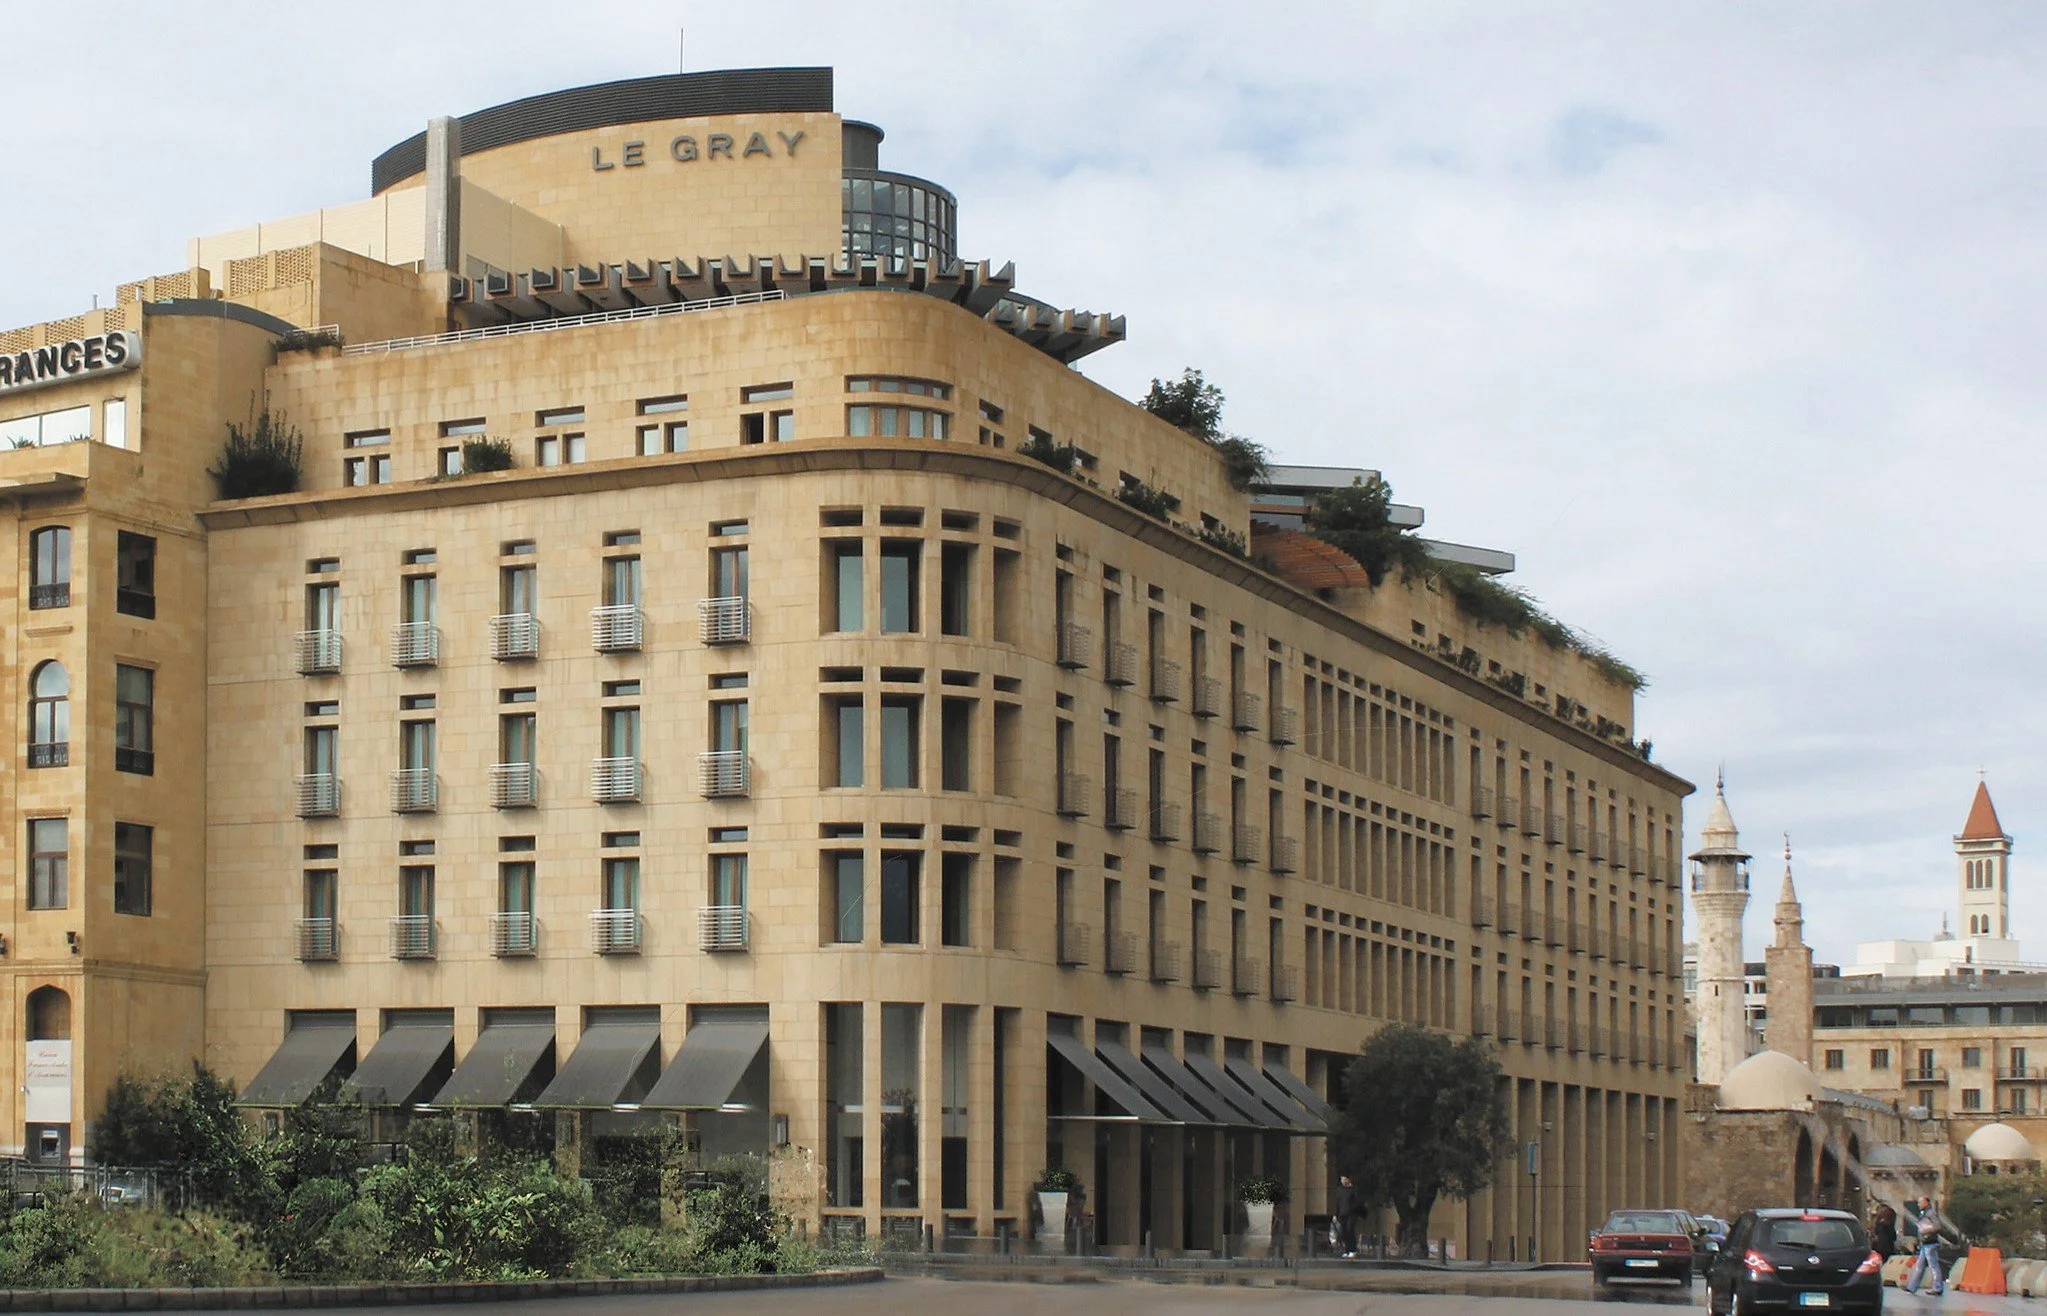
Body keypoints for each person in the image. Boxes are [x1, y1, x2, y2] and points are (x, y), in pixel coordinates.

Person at [1902, 1194, 1946, 1296]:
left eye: (1920, 1202)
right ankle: (1912, 1287)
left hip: (1930, 1243)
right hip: (1924, 1243)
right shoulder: (1924, 1213)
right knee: (1919, 1266)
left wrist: (1926, 1230)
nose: (1918, 1204)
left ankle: (1938, 1287)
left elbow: (1937, 1226)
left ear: (1926, 1202)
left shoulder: (1931, 1213)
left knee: (1933, 1266)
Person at [1333, 1174, 1361, 1258]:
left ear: (1348, 1179)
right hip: (1342, 1214)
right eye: (1341, 1179)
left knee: (1350, 1230)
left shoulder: (1353, 1189)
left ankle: (1353, 1250)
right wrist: (1336, 1214)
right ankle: (1347, 1250)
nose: (1343, 1181)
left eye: (1344, 1179)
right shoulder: (1339, 1190)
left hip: (1351, 1214)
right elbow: (1338, 1203)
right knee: (1344, 1232)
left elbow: (1357, 1202)